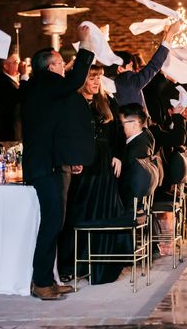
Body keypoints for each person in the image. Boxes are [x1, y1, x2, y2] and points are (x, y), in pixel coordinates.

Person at [21, 25, 93, 301]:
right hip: (45, 166)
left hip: (54, 163)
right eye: (61, 63)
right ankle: (40, 281)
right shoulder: (43, 84)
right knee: (51, 224)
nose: (65, 68)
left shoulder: (47, 89)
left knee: (56, 223)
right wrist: (85, 46)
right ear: (50, 68)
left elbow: (59, 129)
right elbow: (75, 81)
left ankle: (47, 278)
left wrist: (70, 158)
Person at [57, 65, 127, 284]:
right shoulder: (72, 102)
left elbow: (119, 133)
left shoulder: (107, 103)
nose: (97, 83)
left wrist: (118, 155)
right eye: (92, 78)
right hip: (82, 166)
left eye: (99, 78)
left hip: (105, 166)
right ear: (81, 80)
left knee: (103, 213)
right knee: (77, 214)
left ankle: (98, 263)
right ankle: (70, 264)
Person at [113, 21, 181, 110]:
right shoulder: (129, 83)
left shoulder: (114, 82)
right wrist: (170, 34)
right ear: (120, 69)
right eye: (130, 66)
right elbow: (154, 65)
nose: (133, 70)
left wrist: (166, 36)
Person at [118, 103, 158, 212]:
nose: (120, 127)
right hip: (139, 204)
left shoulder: (135, 150)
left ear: (135, 124)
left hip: (127, 206)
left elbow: (124, 185)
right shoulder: (146, 138)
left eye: (122, 123)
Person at [0, 52, 27, 143]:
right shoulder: (2, 82)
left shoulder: (13, 81)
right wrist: (23, 76)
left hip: (18, 134)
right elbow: (20, 96)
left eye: (19, 62)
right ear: (6, 66)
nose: (19, 66)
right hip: (9, 135)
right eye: (16, 62)